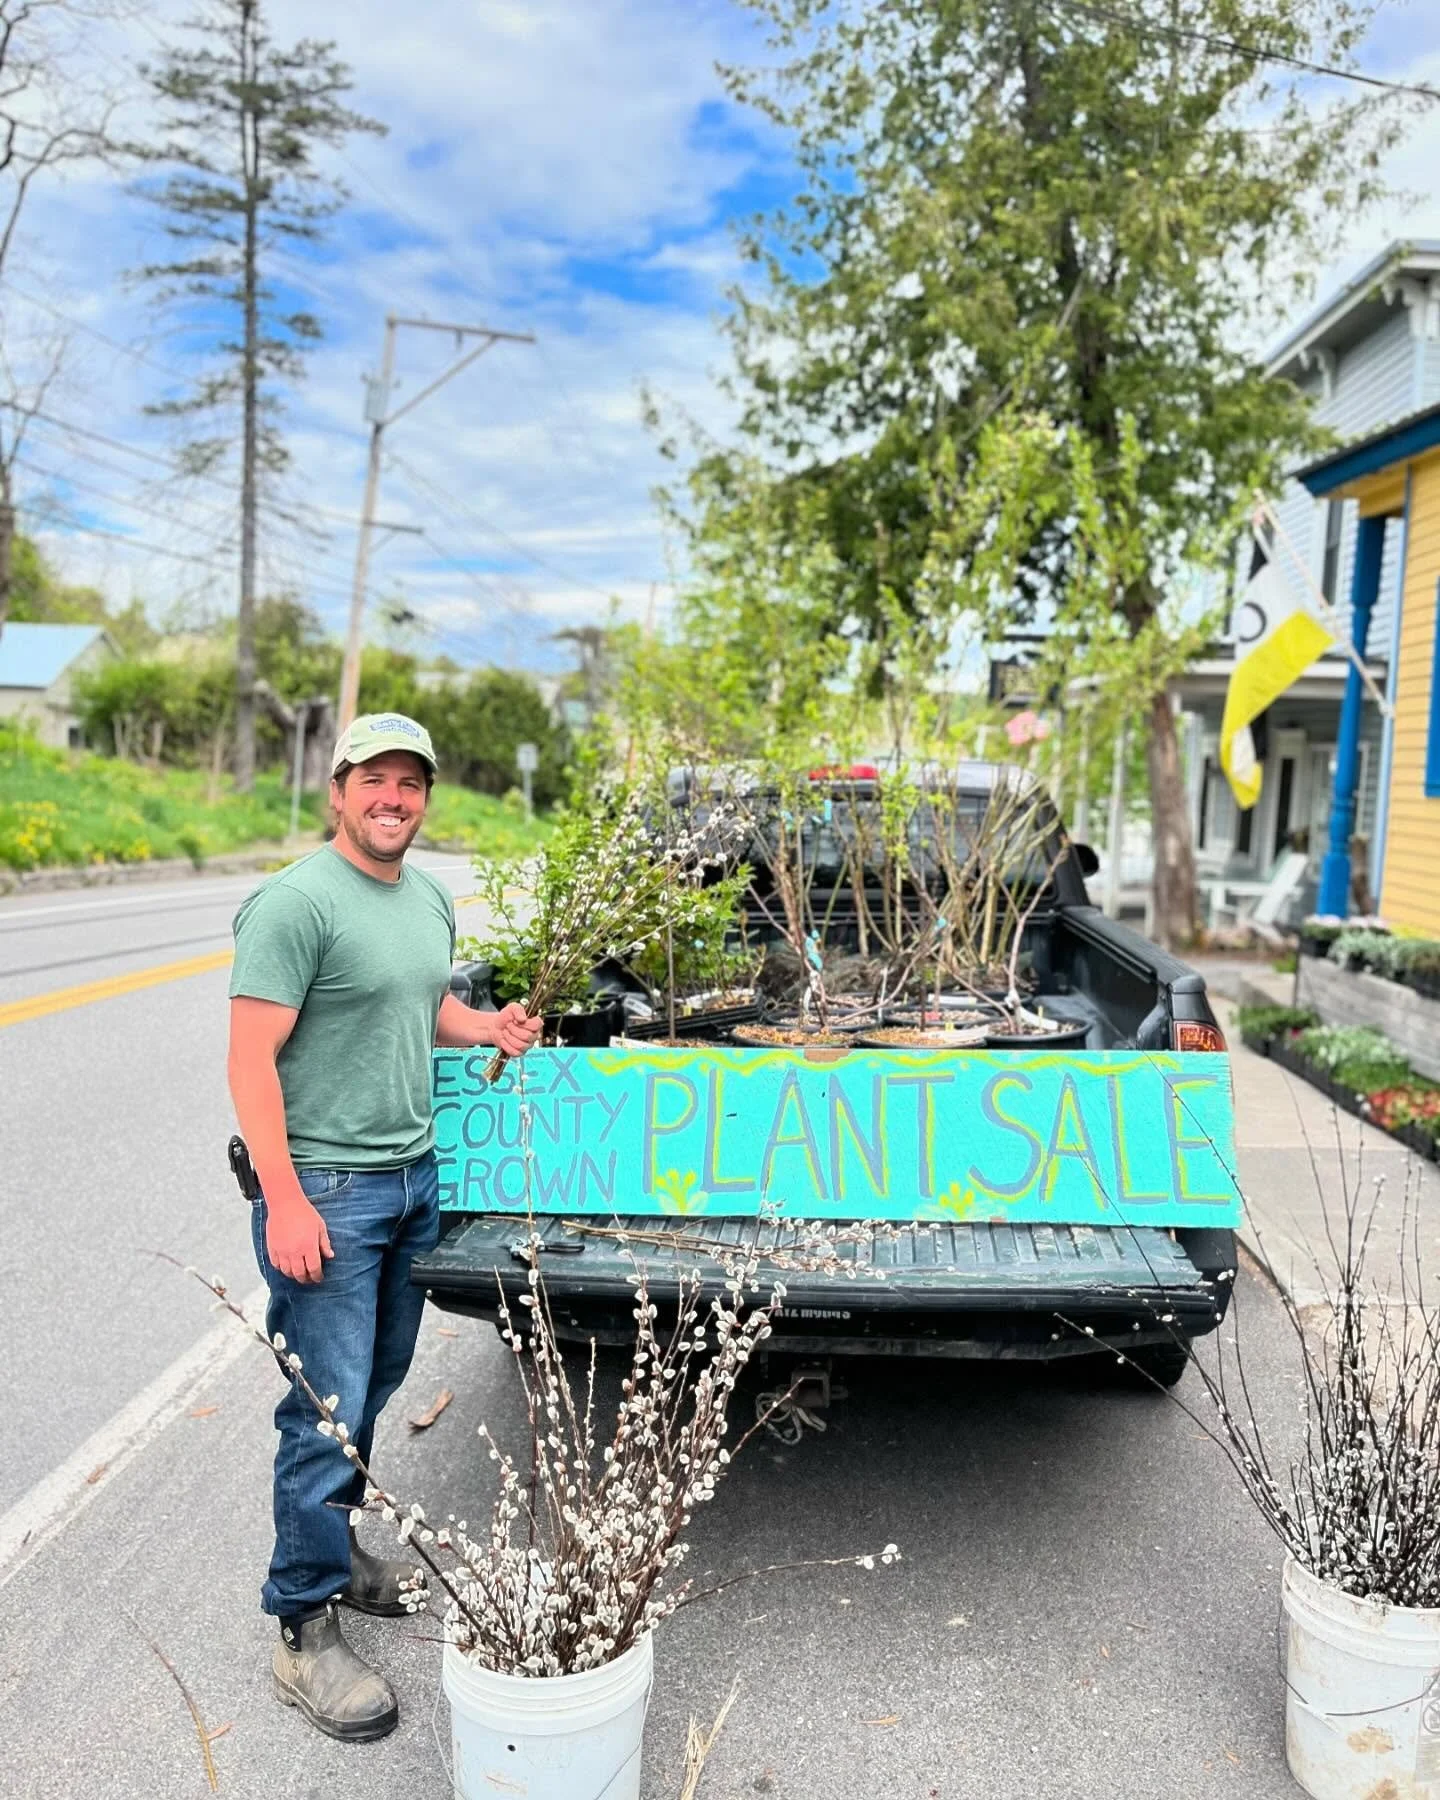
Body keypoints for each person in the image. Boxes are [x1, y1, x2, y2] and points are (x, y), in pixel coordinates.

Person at [226, 712, 541, 1741]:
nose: (392, 799)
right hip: (327, 1190)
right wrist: (285, 1198)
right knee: (323, 1406)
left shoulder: (428, 898)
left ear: (425, 798)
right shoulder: (295, 904)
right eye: (374, 780)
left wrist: (486, 1026)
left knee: (372, 1381)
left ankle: (337, 1546)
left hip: (411, 1181)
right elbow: (248, 1061)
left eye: (410, 783)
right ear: (338, 791)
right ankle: (302, 1624)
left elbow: (421, 1008)